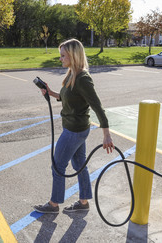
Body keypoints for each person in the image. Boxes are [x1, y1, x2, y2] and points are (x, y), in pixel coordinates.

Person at [33, 38, 114, 214]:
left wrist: (106, 134)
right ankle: (83, 202)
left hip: (74, 131)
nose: (60, 59)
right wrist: (50, 91)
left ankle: (53, 205)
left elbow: (97, 106)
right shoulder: (72, 74)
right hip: (77, 129)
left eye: (63, 56)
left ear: (73, 56)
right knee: (79, 166)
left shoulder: (83, 78)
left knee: (57, 165)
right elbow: (67, 97)